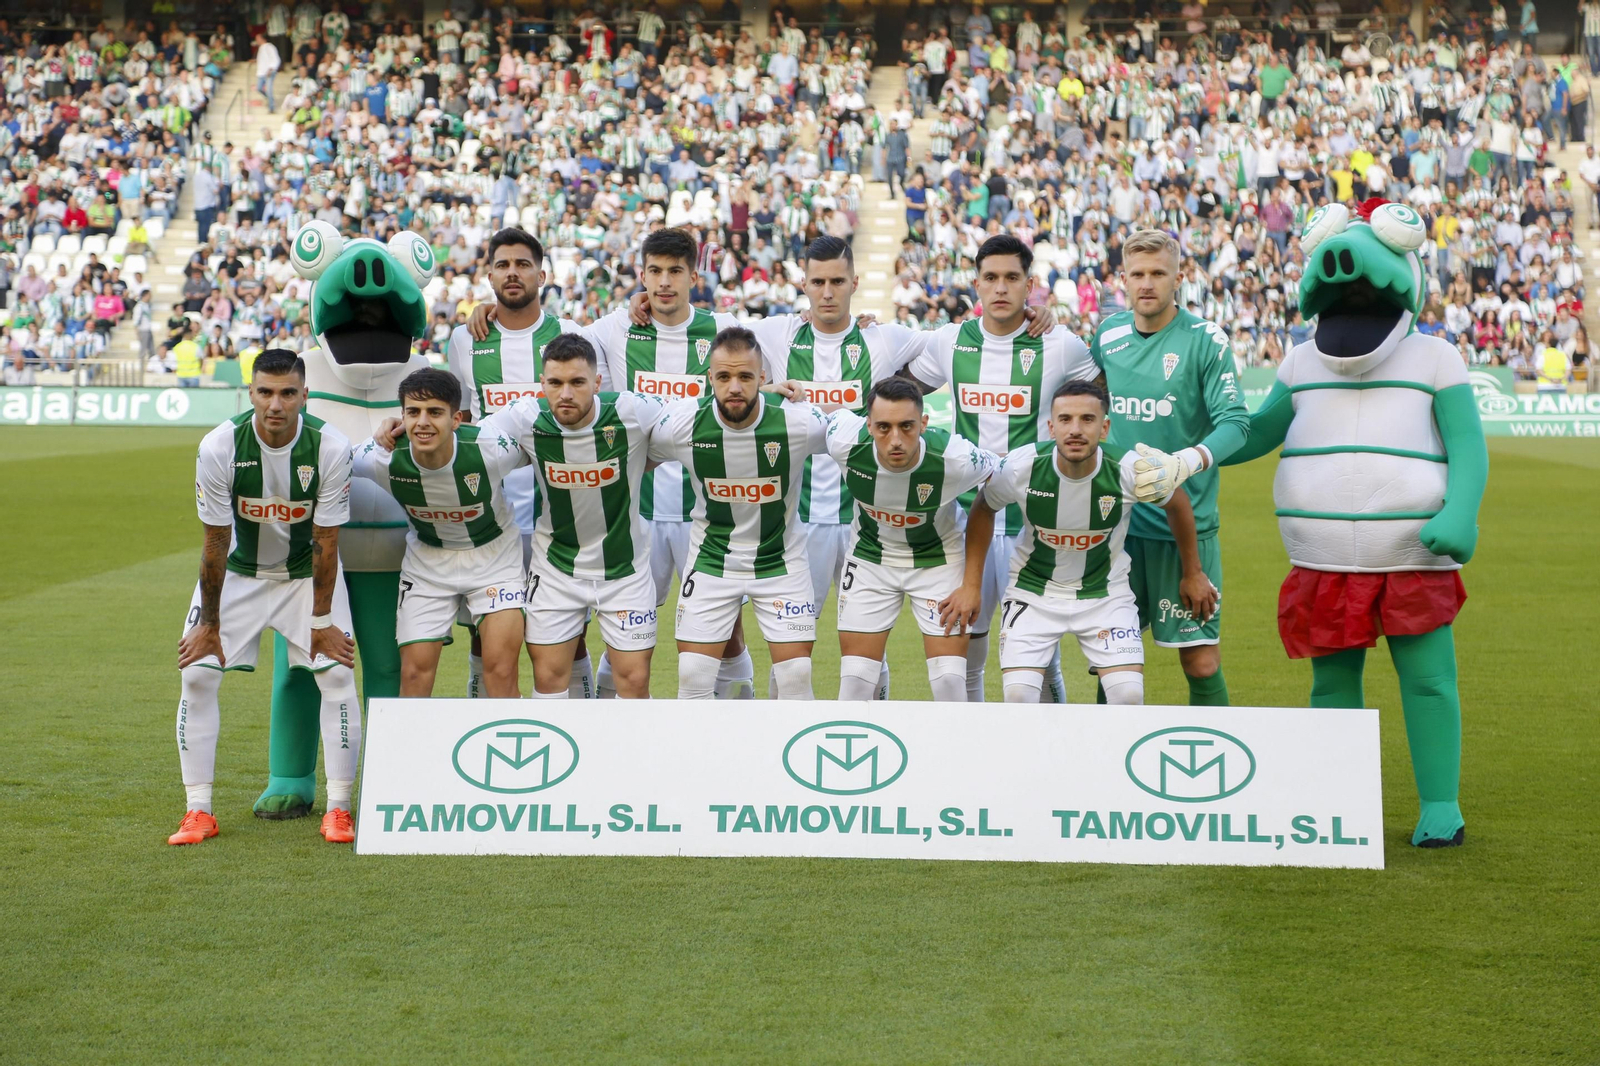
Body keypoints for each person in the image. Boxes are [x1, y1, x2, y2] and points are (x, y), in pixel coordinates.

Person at [170, 348, 358, 846]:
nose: (276, 404)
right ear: (250, 393)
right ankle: (198, 812)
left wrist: (321, 621)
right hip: (239, 574)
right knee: (196, 675)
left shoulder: (331, 448)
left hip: (304, 575)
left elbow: (326, 542)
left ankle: (339, 809)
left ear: (304, 396)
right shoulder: (218, 447)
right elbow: (214, 542)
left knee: (337, 673)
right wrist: (208, 625)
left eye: (287, 393)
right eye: (266, 392)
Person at [901, 234, 1098, 702]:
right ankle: (976, 751)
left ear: (1030, 285)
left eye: (1012, 278)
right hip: (970, 520)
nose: (1001, 288)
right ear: (976, 284)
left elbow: (1104, 400)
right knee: (968, 641)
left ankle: (1048, 752)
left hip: (1038, 520)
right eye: (991, 278)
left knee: (1038, 654)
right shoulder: (951, 342)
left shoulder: (1060, 345)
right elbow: (897, 392)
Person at [949, 380, 1216, 704]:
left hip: (1106, 594)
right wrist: (970, 584)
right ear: (1051, 427)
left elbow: (1177, 504)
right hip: (1034, 593)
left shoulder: (1130, 469)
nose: (1075, 429)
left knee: (1128, 695)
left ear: (1104, 428)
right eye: (1065, 420)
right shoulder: (1021, 467)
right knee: (1018, 696)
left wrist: (1193, 573)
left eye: (1087, 420)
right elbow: (983, 506)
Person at [1088, 229, 1251, 707]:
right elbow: (1087, 391)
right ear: (1123, 278)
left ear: (1178, 277)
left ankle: (1216, 765)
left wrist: (1185, 462)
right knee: (1111, 663)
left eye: (1158, 273)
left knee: (1200, 662)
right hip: (1115, 527)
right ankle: (1106, 768)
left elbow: (1236, 423)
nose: (1147, 283)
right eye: (1137, 274)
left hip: (1186, 528)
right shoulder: (1109, 334)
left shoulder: (1206, 341)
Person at [448, 228, 594, 700]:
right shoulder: (463, 340)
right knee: (483, 626)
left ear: (542, 274)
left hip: (559, 510)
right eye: (503, 264)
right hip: (490, 513)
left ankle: (581, 723)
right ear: (489, 274)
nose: (513, 272)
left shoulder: (571, 335)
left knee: (570, 630)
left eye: (523, 264)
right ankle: (483, 719)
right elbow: (462, 422)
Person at [647, 326, 828, 699]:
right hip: (713, 560)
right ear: (708, 378)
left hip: (781, 562)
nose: (734, 387)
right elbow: (633, 457)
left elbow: (860, 441)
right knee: (693, 676)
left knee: (795, 676)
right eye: (724, 376)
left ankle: (785, 755)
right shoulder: (679, 424)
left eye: (746, 376)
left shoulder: (799, 421)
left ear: (763, 378)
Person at [482, 334, 666, 698]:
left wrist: (766, 392)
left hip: (624, 570)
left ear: (597, 383)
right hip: (556, 570)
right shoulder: (523, 417)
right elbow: (463, 440)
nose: (565, 394)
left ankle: (626, 754)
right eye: (555, 383)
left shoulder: (633, 410)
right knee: (550, 682)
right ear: (542, 384)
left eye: (577, 382)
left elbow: (700, 418)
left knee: (634, 682)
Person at [353, 368, 527, 699]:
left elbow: (541, 445)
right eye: (413, 412)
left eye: (434, 412)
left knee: (501, 672)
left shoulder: (492, 449)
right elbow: (331, 461)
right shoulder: (380, 457)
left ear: (456, 419)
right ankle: (409, 751)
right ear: (400, 416)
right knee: (414, 675)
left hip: (495, 560)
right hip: (428, 564)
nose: (422, 422)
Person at [825, 378, 998, 702]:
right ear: (868, 425)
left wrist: (972, 585)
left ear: (924, 424)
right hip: (870, 558)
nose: (895, 440)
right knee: (856, 682)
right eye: (883, 428)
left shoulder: (956, 457)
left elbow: (1000, 482)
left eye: (906, 427)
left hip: (938, 559)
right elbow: (810, 414)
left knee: (949, 681)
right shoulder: (844, 439)